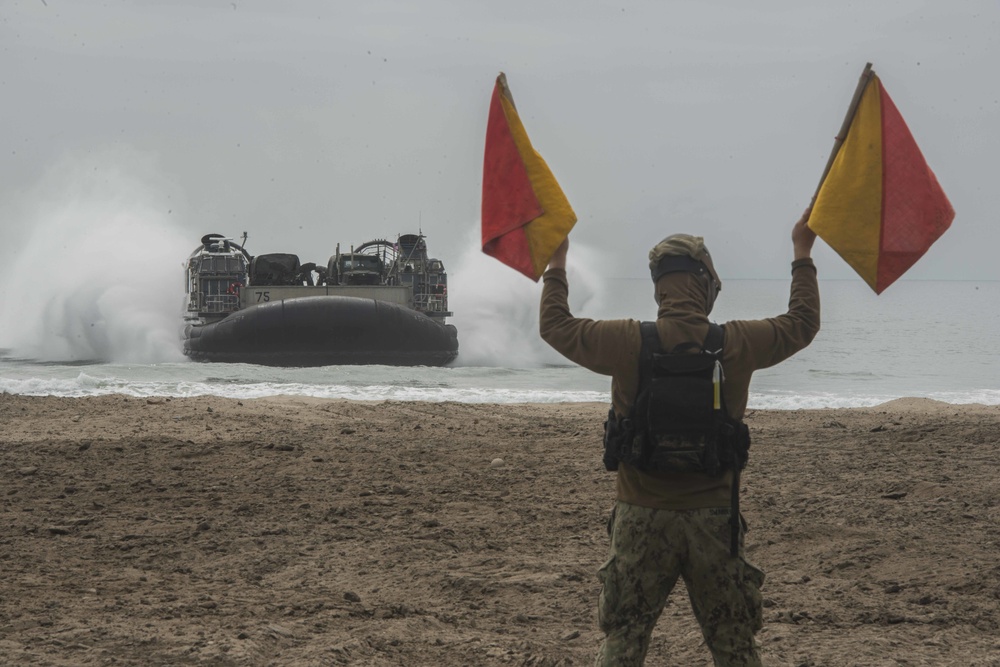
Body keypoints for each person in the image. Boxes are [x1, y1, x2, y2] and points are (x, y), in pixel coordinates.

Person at [539, 211, 820, 666]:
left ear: (659, 287)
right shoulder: (738, 342)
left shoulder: (624, 340)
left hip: (640, 518)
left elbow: (555, 326)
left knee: (624, 638)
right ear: (706, 283)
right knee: (734, 645)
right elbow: (803, 323)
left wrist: (557, 261)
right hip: (714, 521)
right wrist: (802, 252)